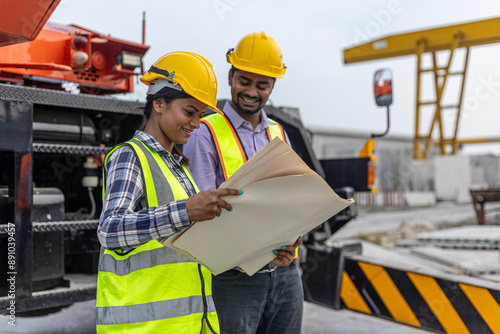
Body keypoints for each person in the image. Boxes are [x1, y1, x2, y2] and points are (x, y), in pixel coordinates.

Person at [95, 51, 242, 334]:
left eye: (200, 115)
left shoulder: (178, 166)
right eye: (189, 111)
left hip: (191, 323)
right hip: (147, 327)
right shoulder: (130, 156)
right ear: (159, 103)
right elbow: (110, 231)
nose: (196, 123)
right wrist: (185, 211)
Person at [184, 32, 303, 334]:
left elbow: (289, 199)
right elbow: (201, 215)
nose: (252, 91)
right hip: (235, 277)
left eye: (262, 85)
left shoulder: (279, 133)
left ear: (273, 86)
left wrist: (296, 231)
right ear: (230, 76)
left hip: (285, 269)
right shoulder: (204, 132)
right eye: (244, 81)